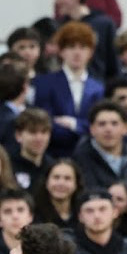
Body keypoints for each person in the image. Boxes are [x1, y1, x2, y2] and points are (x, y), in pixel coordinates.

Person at [34, 22, 104, 159]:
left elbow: (98, 125)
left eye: (83, 47)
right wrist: (84, 128)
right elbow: (45, 121)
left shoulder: (98, 87)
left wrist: (74, 124)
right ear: (61, 51)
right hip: (54, 153)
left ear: (91, 52)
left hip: (90, 157)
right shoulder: (44, 83)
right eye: (71, 47)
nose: (77, 53)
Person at [72, 99, 127, 193]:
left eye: (114, 123)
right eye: (102, 124)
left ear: (125, 128)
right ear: (92, 129)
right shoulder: (79, 161)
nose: (108, 129)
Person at [51, 0, 116, 80]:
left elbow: (113, 63)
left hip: (98, 87)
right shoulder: (59, 26)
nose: (57, 1)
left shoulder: (104, 24)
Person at [11, 108, 53, 190]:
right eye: (32, 132)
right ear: (18, 135)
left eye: (44, 132)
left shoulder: (53, 168)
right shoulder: (7, 167)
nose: (39, 138)